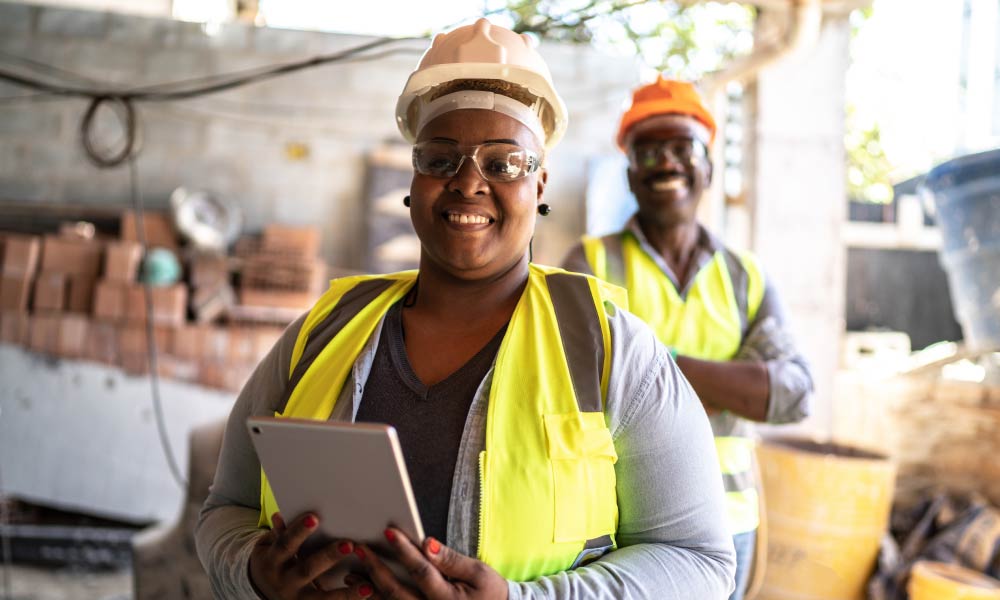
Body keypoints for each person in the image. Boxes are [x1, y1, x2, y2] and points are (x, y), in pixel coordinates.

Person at [196, 22, 735, 600]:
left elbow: (698, 561)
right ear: (413, 179)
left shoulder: (609, 348)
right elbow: (225, 510)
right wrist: (254, 571)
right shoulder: (325, 333)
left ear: (540, 185)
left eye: (504, 163)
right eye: (440, 158)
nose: (468, 182)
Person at [561, 76, 815, 600]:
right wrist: (732, 380)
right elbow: (575, 387)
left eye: (683, 148)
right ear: (630, 174)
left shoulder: (744, 277)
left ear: (708, 168)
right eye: (648, 151)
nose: (666, 162)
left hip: (730, 518)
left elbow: (793, 393)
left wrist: (648, 366)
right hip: (616, 515)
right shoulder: (590, 263)